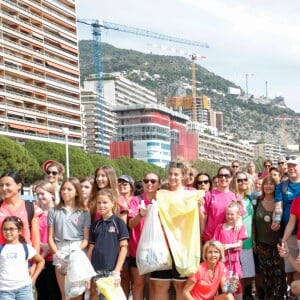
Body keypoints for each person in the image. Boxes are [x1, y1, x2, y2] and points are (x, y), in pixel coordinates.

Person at [150, 161, 199, 300]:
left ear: (183, 176)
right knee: (160, 286)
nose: (172, 177)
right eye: (170, 174)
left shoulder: (191, 195)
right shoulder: (161, 195)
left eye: (176, 174)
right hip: (163, 246)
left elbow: (200, 218)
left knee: (180, 287)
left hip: (183, 247)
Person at [48, 177, 91, 300]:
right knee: (65, 294)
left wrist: (75, 252)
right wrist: (58, 254)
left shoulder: (84, 211)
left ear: (77, 192)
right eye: (63, 189)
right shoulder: (53, 210)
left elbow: (86, 239)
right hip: (60, 250)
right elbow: (50, 238)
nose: (65, 192)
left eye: (69, 189)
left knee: (77, 294)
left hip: (78, 250)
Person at [88, 188, 129, 300]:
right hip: (96, 269)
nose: (101, 205)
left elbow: (124, 248)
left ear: (112, 203)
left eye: (105, 202)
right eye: (99, 202)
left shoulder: (119, 223)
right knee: (99, 296)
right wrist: (87, 269)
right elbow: (91, 248)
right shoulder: (95, 225)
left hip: (111, 270)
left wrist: (117, 271)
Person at [128, 172, 161, 300]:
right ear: (142, 183)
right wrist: (140, 215)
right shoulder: (136, 201)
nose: (149, 184)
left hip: (157, 251)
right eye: (146, 181)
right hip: (137, 250)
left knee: (154, 285)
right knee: (138, 285)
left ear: (159, 184)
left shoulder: (162, 201)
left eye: (153, 181)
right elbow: (131, 224)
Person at [253, 176, 286, 299]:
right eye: (266, 183)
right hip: (262, 245)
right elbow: (253, 223)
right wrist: (254, 242)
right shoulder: (256, 201)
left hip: (278, 244)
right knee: (266, 275)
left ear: (276, 186)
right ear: (262, 186)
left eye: (272, 184)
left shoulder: (280, 202)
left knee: (279, 274)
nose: (268, 186)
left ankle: (279, 297)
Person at [0, 216, 45, 300]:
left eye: (11, 229)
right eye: (5, 229)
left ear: (20, 231)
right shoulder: (1, 249)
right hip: (4, 291)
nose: (8, 232)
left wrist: (34, 278)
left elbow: (41, 261)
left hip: (24, 289)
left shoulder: (26, 248)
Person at [274, 154, 300, 290]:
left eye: (294, 165)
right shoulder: (282, 186)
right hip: (289, 232)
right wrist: (276, 221)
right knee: (290, 270)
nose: (291, 168)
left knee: (299, 269)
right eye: (288, 166)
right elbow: (278, 208)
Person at [0, 171, 42, 251]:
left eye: (8, 185)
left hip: (24, 260)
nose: (4, 188)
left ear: (19, 185)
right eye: (1, 185)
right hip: (2, 260)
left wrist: (35, 261)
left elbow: (35, 238)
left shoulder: (31, 208)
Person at [213, 201, 248, 300]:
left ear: (237, 215)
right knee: (225, 287)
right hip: (222, 262)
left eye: (232, 214)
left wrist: (229, 246)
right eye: (227, 213)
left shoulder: (239, 227)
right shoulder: (220, 227)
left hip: (234, 262)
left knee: (235, 284)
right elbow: (215, 243)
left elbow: (240, 243)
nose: (229, 216)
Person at [35, 181, 61, 300]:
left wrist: (47, 249)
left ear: (51, 194)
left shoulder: (58, 213)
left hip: (53, 260)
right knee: (42, 293)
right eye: (37, 194)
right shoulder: (36, 214)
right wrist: (41, 247)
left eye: (42, 194)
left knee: (54, 293)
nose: (40, 197)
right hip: (39, 260)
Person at [231, 172, 255, 300]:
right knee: (236, 274)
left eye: (245, 179)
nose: (242, 182)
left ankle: (246, 295)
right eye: (239, 180)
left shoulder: (250, 198)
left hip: (249, 241)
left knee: (249, 273)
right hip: (235, 242)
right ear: (235, 181)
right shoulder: (232, 198)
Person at [202, 166, 239, 242]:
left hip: (229, 241)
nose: (223, 178)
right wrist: (201, 237)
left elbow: (239, 218)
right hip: (211, 240)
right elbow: (203, 219)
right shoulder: (209, 195)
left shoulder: (235, 197)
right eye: (220, 175)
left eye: (226, 175)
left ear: (231, 178)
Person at [118, 174, 136, 298]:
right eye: (119, 184)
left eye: (125, 184)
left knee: (136, 281)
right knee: (124, 277)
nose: (122, 186)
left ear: (131, 186)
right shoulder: (116, 200)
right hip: (121, 243)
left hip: (135, 242)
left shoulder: (136, 200)